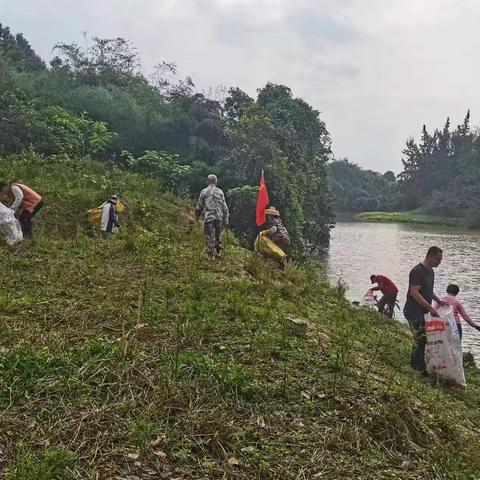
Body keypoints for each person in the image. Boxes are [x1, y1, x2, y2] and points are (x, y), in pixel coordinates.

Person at [404, 246, 446, 375]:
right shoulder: (417, 271)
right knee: (421, 338)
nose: (439, 262)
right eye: (437, 259)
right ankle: (419, 368)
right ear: (429, 256)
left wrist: (438, 300)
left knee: (420, 338)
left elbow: (428, 289)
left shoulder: (430, 271)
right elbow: (414, 292)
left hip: (423, 311)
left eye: (441, 259)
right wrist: (430, 308)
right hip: (413, 310)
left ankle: (415, 364)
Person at [195, 175, 229, 258]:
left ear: (207, 182)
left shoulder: (204, 191)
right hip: (219, 217)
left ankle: (210, 254)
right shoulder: (220, 192)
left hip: (209, 216)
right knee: (218, 234)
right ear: (216, 182)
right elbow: (225, 207)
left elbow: (199, 205)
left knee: (209, 234)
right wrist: (226, 218)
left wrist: (197, 215)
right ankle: (218, 252)